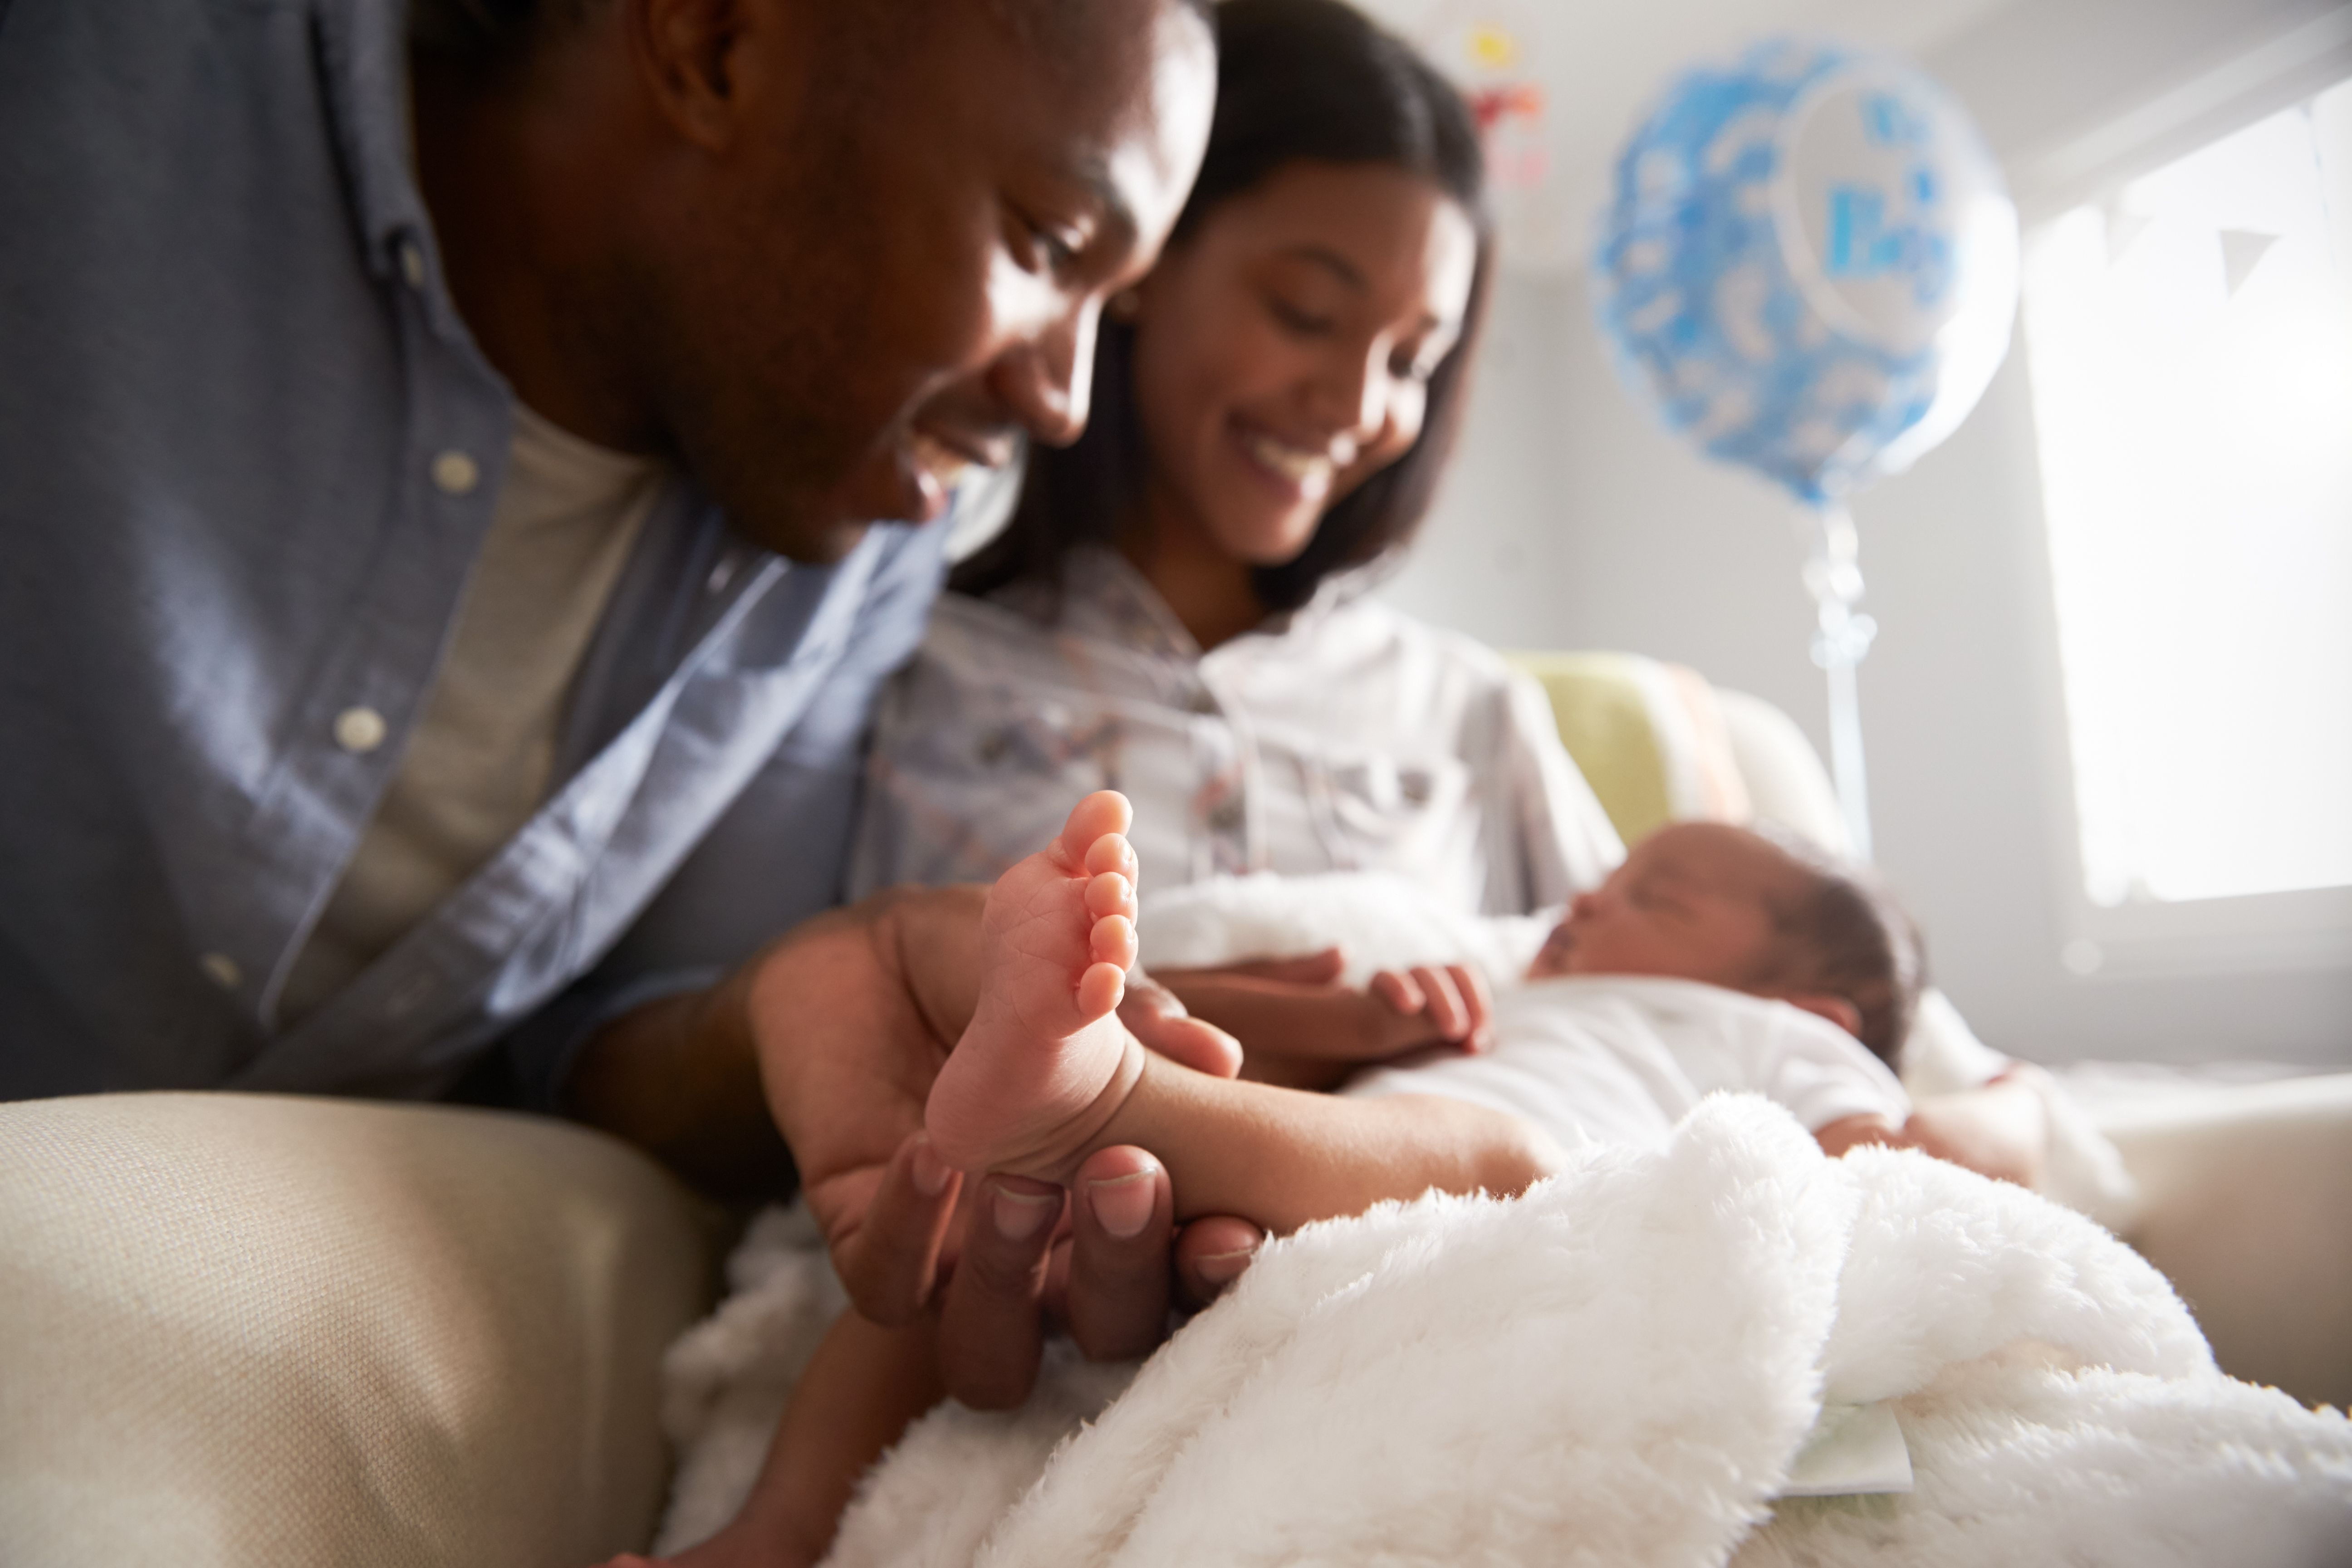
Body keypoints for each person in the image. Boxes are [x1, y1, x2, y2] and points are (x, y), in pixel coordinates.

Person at [0, 0, 1241, 1398]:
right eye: (1047, 246)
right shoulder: (74, 89)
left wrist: (806, 992)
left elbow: (601, 1035)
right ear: (714, 44)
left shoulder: (862, 534)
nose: (1067, 399)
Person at [640, 796, 1937, 1568]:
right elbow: (1310, 1099)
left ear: (1806, 1003)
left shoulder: (1788, 1045)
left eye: (1659, 891)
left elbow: (1862, 1191)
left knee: (1508, 1158)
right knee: (967, 1225)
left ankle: (1089, 1093)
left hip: (1510, 1243)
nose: (1592, 895)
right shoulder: (1509, 995)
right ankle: (771, 1535)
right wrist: (1389, 1025)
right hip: (1252, 1242)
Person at [851, 0, 1624, 937]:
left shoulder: (1475, 717)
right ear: (1141, 262)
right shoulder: (905, 677)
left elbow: (1663, 1025)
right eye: (1304, 313)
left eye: (1412, 362)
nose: (1356, 407)